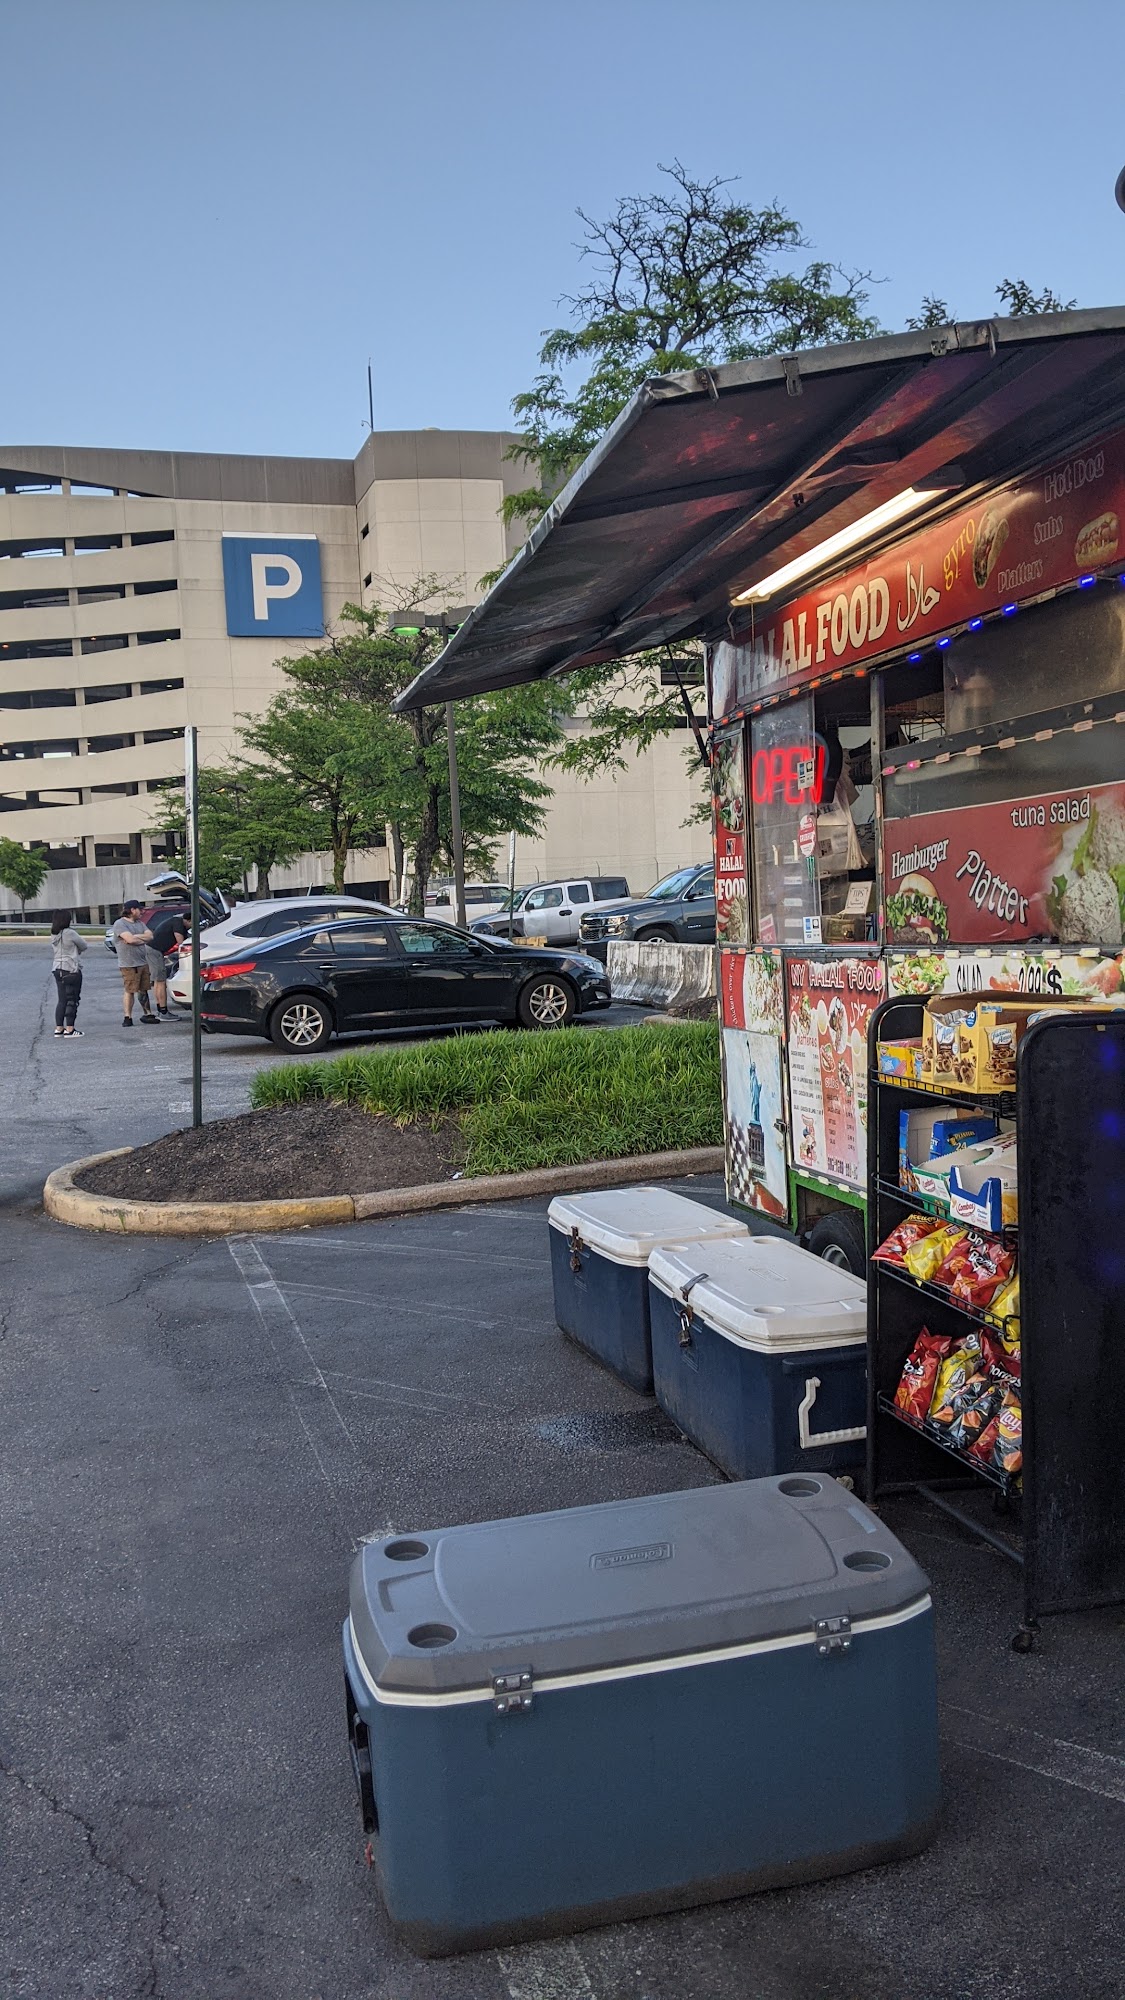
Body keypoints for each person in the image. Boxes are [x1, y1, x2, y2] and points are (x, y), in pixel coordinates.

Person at [111, 898, 160, 1027]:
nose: (141, 912)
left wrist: (136, 937)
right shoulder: (120, 924)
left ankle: (147, 1014)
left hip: (142, 962)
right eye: (139, 909)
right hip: (128, 964)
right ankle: (128, 1017)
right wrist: (137, 938)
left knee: (143, 989)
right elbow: (130, 940)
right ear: (132, 910)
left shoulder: (140, 923)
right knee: (130, 989)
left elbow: (150, 936)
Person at [50, 909, 87, 1037]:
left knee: (62, 1000)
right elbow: (84, 945)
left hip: (57, 968)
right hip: (70, 968)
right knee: (72, 999)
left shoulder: (54, 934)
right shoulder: (70, 933)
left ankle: (59, 1028)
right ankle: (70, 1029)